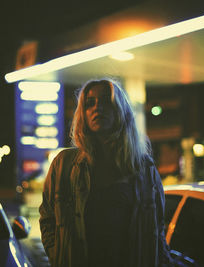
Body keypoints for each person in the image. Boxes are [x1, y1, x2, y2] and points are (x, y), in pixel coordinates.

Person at [39, 78, 173, 267]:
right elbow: (47, 218)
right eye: (90, 103)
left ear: (120, 111)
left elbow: (156, 229)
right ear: (83, 114)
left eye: (105, 101)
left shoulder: (144, 168)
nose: (97, 108)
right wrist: (58, 255)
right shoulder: (64, 165)